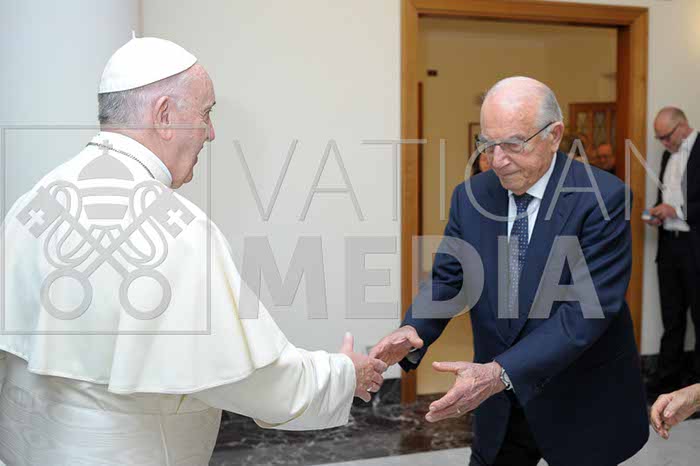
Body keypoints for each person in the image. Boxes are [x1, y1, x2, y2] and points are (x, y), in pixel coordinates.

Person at [0, 37, 386, 466]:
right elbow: (253, 380)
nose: (211, 132)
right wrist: (344, 374)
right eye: (206, 113)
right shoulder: (177, 228)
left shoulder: (33, 203)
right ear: (164, 115)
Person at [371, 77, 648, 466]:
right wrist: (413, 328)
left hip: (579, 398)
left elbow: (586, 312)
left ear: (554, 135)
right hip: (499, 404)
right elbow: (449, 278)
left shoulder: (602, 198)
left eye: (514, 144)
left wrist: (500, 372)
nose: (497, 160)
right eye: (487, 144)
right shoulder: (471, 195)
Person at [644, 107, 700, 395]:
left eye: (666, 136)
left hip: (695, 248)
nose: (663, 143)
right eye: (659, 138)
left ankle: (696, 391)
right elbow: (667, 195)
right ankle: (666, 381)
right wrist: (658, 213)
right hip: (669, 246)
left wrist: (675, 210)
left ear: (682, 126)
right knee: (671, 318)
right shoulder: (668, 155)